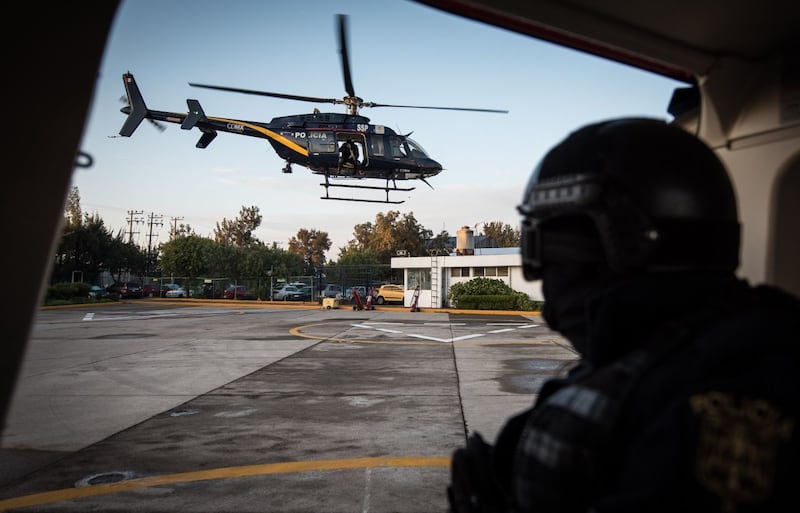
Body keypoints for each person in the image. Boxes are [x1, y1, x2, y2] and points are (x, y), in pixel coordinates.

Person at [447, 117, 800, 513]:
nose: (545, 286)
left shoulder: (620, 409)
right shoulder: (762, 333)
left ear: (619, 245)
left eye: (546, 252)